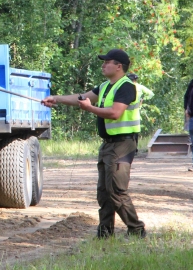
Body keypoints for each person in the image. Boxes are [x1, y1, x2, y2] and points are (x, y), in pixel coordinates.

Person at [42, 49, 146, 238]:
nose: (103, 65)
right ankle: (105, 233)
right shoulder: (106, 86)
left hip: (123, 144)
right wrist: (56, 99)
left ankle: (136, 230)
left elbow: (115, 113)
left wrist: (91, 108)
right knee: (104, 193)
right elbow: (81, 97)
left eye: (107, 62)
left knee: (116, 191)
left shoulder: (126, 86)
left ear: (119, 66)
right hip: (108, 144)